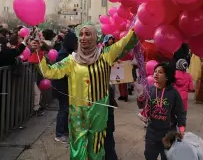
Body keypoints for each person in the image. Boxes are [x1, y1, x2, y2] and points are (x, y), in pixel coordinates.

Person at [39, 25, 137, 160]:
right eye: (81, 34)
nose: (83, 38)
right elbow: (49, 72)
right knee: (78, 147)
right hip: (77, 111)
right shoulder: (71, 60)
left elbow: (125, 42)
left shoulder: (106, 55)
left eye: (87, 34)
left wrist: (136, 26)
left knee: (96, 147)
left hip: (99, 109)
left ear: (95, 37)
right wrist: (38, 53)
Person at [142, 62, 186, 160]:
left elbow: (180, 112)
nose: (156, 74)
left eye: (160, 72)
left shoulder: (174, 93)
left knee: (167, 157)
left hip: (168, 133)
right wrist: (141, 99)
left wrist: (182, 127)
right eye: (155, 71)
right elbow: (143, 107)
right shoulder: (149, 89)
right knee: (149, 155)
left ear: (167, 77)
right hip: (152, 131)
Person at [51, 31, 78, 143]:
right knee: (64, 109)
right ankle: (60, 133)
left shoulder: (67, 52)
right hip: (62, 87)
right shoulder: (64, 54)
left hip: (65, 86)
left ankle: (65, 132)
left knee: (66, 109)